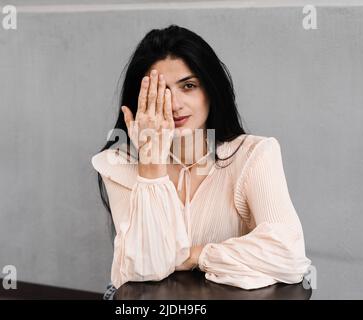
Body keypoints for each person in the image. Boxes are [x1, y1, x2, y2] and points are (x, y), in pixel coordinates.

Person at [91, 25, 311, 299]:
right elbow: (143, 270)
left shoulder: (254, 154)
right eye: (160, 91)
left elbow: (288, 253)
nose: (174, 104)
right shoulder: (119, 163)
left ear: (211, 89)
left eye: (188, 86)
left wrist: (195, 255)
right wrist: (151, 164)